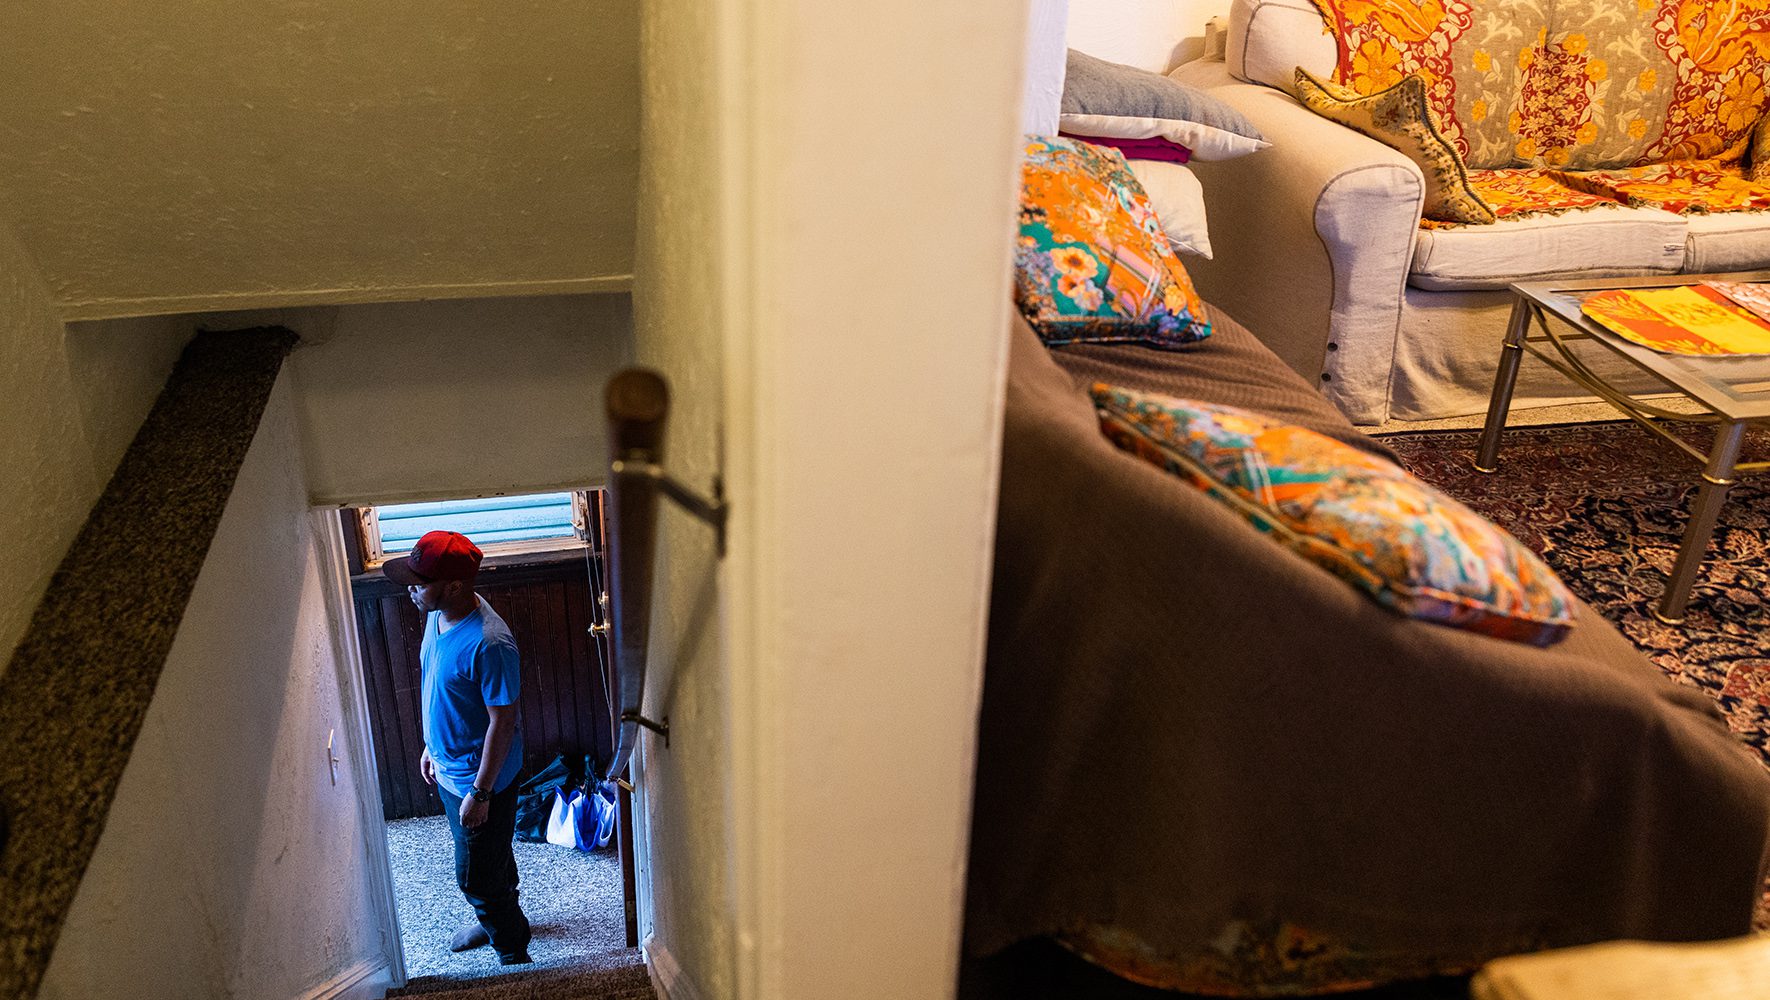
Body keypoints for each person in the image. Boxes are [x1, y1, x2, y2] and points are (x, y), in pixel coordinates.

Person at [383, 530, 532, 965]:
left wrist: (481, 793)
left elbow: (503, 724)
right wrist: (432, 746)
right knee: (492, 857)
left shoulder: (490, 642)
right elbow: (439, 688)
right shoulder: (437, 614)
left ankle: (512, 952)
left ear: (454, 586)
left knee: (476, 879)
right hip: (451, 770)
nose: (411, 588)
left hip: (478, 779)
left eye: (420, 581)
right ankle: (501, 919)